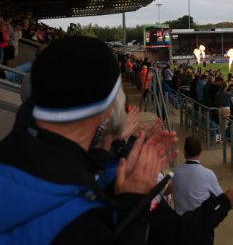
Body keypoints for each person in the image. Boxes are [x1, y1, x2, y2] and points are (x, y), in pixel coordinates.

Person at [0, 36, 176, 243]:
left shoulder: (17, 147)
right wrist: (134, 205)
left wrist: (107, 161)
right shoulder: (81, 222)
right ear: (106, 110)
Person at [173, 136, 222, 214]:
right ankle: (218, 140)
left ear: (184, 152)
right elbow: (221, 197)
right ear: (201, 150)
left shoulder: (176, 172)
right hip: (199, 220)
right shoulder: (208, 174)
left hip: (179, 218)